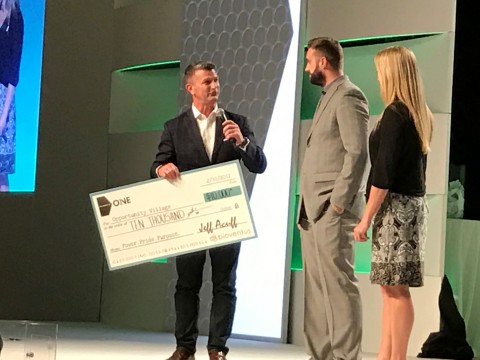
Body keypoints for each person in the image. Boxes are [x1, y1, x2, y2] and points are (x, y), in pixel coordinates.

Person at [150, 60, 267, 360]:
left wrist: (241, 142)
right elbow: (157, 165)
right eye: (207, 82)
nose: (214, 86)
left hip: (227, 217)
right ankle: (184, 347)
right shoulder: (174, 128)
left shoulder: (236, 122)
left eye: (216, 80)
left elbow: (259, 164)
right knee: (186, 284)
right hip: (189, 218)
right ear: (191, 88)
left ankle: (217, 348)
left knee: (224, 284)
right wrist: (163, 168)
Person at [353, 45, 433, 360]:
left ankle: (395, 357)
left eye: (379, 72)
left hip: (397, 210)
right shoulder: (416, 113)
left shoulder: (397, 114)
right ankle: (385, 355)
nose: (377, 78)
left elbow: (383, 174)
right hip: (407, 208)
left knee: (396, 289)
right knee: (390, 288)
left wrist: (366, 218)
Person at [297, 37, 369, 360]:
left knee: (339, 287)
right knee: (315, 290)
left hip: (330, 210)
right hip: (310, 211)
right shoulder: (328, 96)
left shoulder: (350, 96)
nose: (308, 67)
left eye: (310, 61)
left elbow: (358, 153)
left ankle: (344, 356)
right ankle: (320, 354)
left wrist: (338, 203)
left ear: (323, 62)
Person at [0, 0, 23, 192]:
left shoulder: (15, 17)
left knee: (1, 171)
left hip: (2, 98)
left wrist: (3, 116)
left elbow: (14, 71)